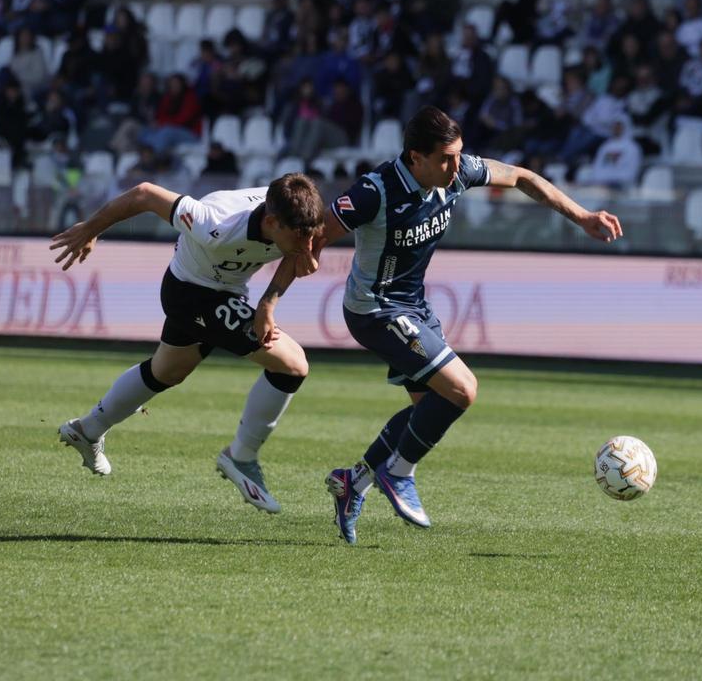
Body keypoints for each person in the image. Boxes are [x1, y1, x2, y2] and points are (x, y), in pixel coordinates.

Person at [255, 107, 621, 544]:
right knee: (463, 390)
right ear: (415, 157)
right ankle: (400, 473)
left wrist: (582, 217)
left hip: (414, 307)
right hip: (375, 310)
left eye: (458, 156)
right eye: (445, 158)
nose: (455, 166)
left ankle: (355, 481)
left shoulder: (458, 172)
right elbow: (308, 238)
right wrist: (269, 302)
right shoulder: (375, 192)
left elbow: (522, 177)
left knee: (427, 408)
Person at [50, 174, 324, 513]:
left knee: (167, 371)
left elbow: (308, 239)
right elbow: (145, 195)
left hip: (225, 290)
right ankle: (241, 457)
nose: (308, 246)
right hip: (191, 293)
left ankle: (87, 429)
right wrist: (91, 229)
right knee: (293, 364)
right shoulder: (215, 222)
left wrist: (269, 301)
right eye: (300, 238)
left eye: (310, 236)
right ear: (271, 222)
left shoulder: (298, 218)